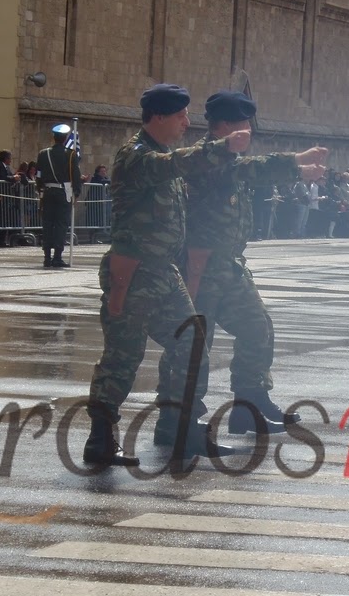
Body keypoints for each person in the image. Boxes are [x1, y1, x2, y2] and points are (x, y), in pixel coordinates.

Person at [82, 83, 251, 467]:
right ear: (158, 117)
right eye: (180, 116)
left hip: (164, 272)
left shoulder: (162, 154)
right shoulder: (137, 157)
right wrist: (221, 147)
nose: (186, 123)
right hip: (134, 272)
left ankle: (182, 428)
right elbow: (175, 165)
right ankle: (101, 436)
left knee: (192, 343)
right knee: (123, 357)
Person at [183, 91, 328, 436]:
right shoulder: (207, 157)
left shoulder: (229, 161)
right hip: (199, 266)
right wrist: (296, 161)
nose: (249, 129)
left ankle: (249, 405)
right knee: (194, 343)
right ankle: (181, 415)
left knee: (257, 327)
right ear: (225, 126)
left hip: (228, 264)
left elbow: (249, 172)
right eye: (244, 122)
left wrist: (300, 169)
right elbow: (253, 169)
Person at [35, 124, 82, 268]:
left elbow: (39, 174)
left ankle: (47, 257)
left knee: (48, 224)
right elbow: (75, 174)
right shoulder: (71, 154)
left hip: (48, 192)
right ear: (65, 138)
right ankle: (57, 257)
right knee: (61, 224)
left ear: (54, 137)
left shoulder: (44, 153)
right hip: (63, 192)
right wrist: (77, 192)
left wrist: (40, 188)